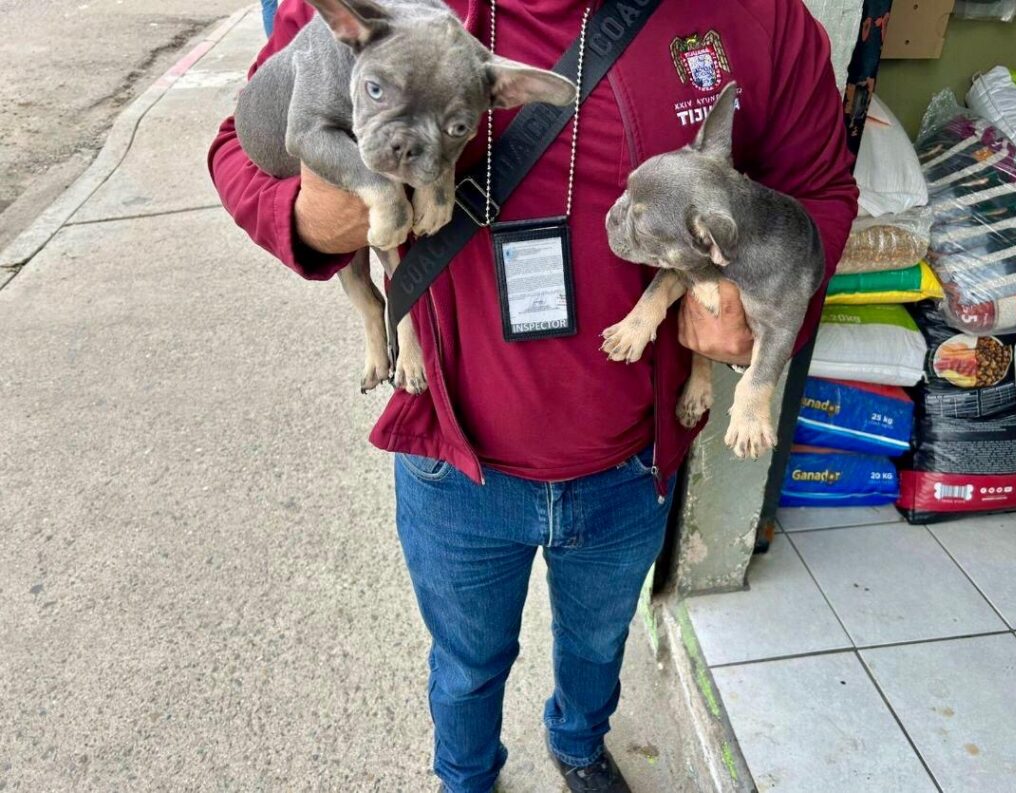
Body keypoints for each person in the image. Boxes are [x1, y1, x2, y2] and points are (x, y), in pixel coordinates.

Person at [208, 1, 858, 791]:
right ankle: (465, 774)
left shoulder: (761, 16)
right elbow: (243, 142)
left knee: (596, 646)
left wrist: (755, 321)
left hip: (630, 464)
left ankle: (578, 746)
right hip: (457, 461)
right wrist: (308, 218)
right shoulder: (377, 9)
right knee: (466, 664)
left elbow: (818, 193)